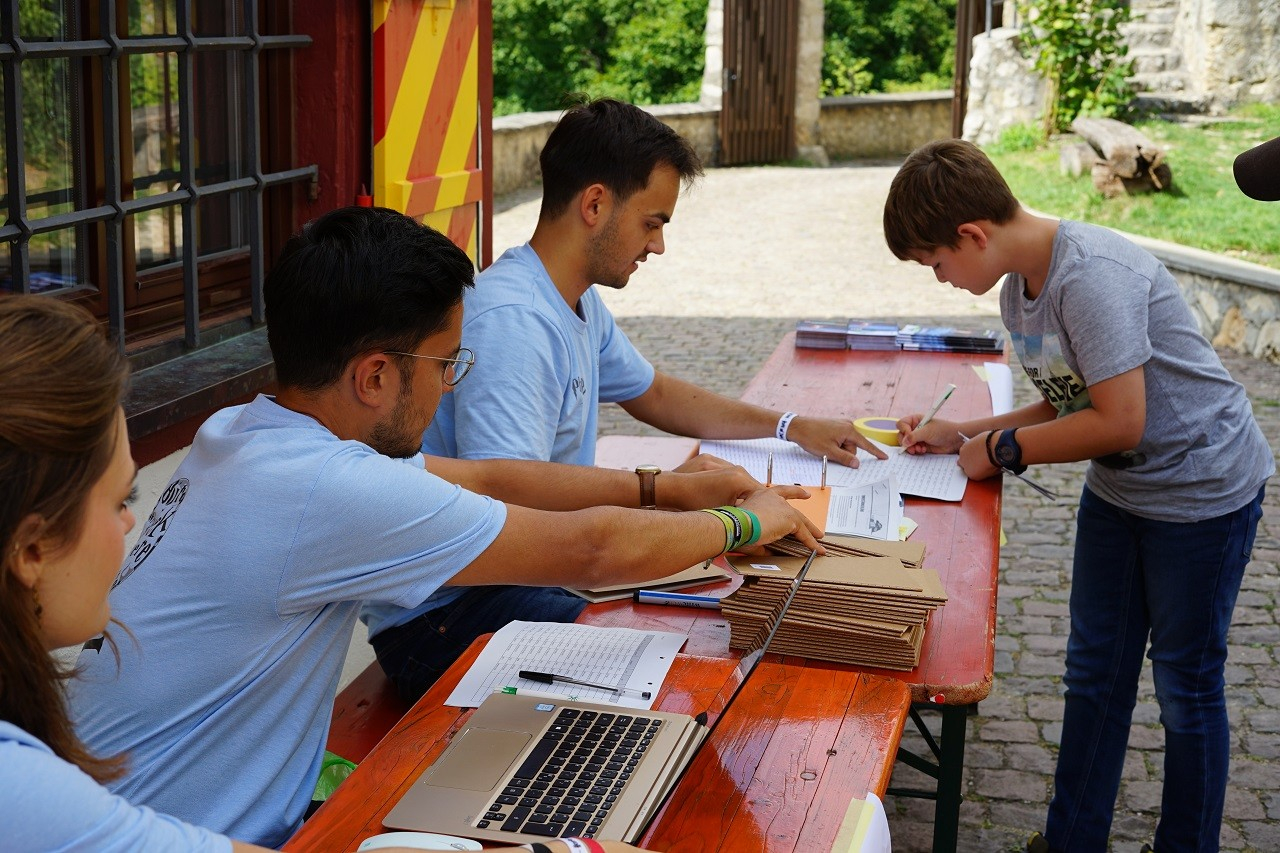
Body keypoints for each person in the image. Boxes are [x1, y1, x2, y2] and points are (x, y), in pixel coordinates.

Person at [67, 206, 821, 848]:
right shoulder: (327, 485)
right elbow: (592, 551)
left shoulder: (248, 431)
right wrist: (741, 520)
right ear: (375, 376)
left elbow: (488, 477)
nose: (448, 384)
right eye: (445, 365)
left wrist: (665, 489)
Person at [371, 97, 883, 702]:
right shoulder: (515, 322)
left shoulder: (574, 298)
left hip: (521, 576)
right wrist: (677, 504)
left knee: (711, 624)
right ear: (594, 205)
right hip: (449, 616)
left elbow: (655, 392)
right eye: (652, 222)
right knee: (690, 666)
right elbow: (516, 513)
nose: (658, 245)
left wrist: (790, 425)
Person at [881, 139, 1272, 853]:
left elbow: (1121, 420)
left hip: (1202, 496)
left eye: (935, 262)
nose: (940, 279)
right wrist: (962, 432)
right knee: (1095, 676)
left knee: (1185, 687)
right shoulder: (1017, 289)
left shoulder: (1089, 278)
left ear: (972, 235)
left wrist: (1002, 450)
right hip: (1122, 493)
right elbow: (1071, 401)